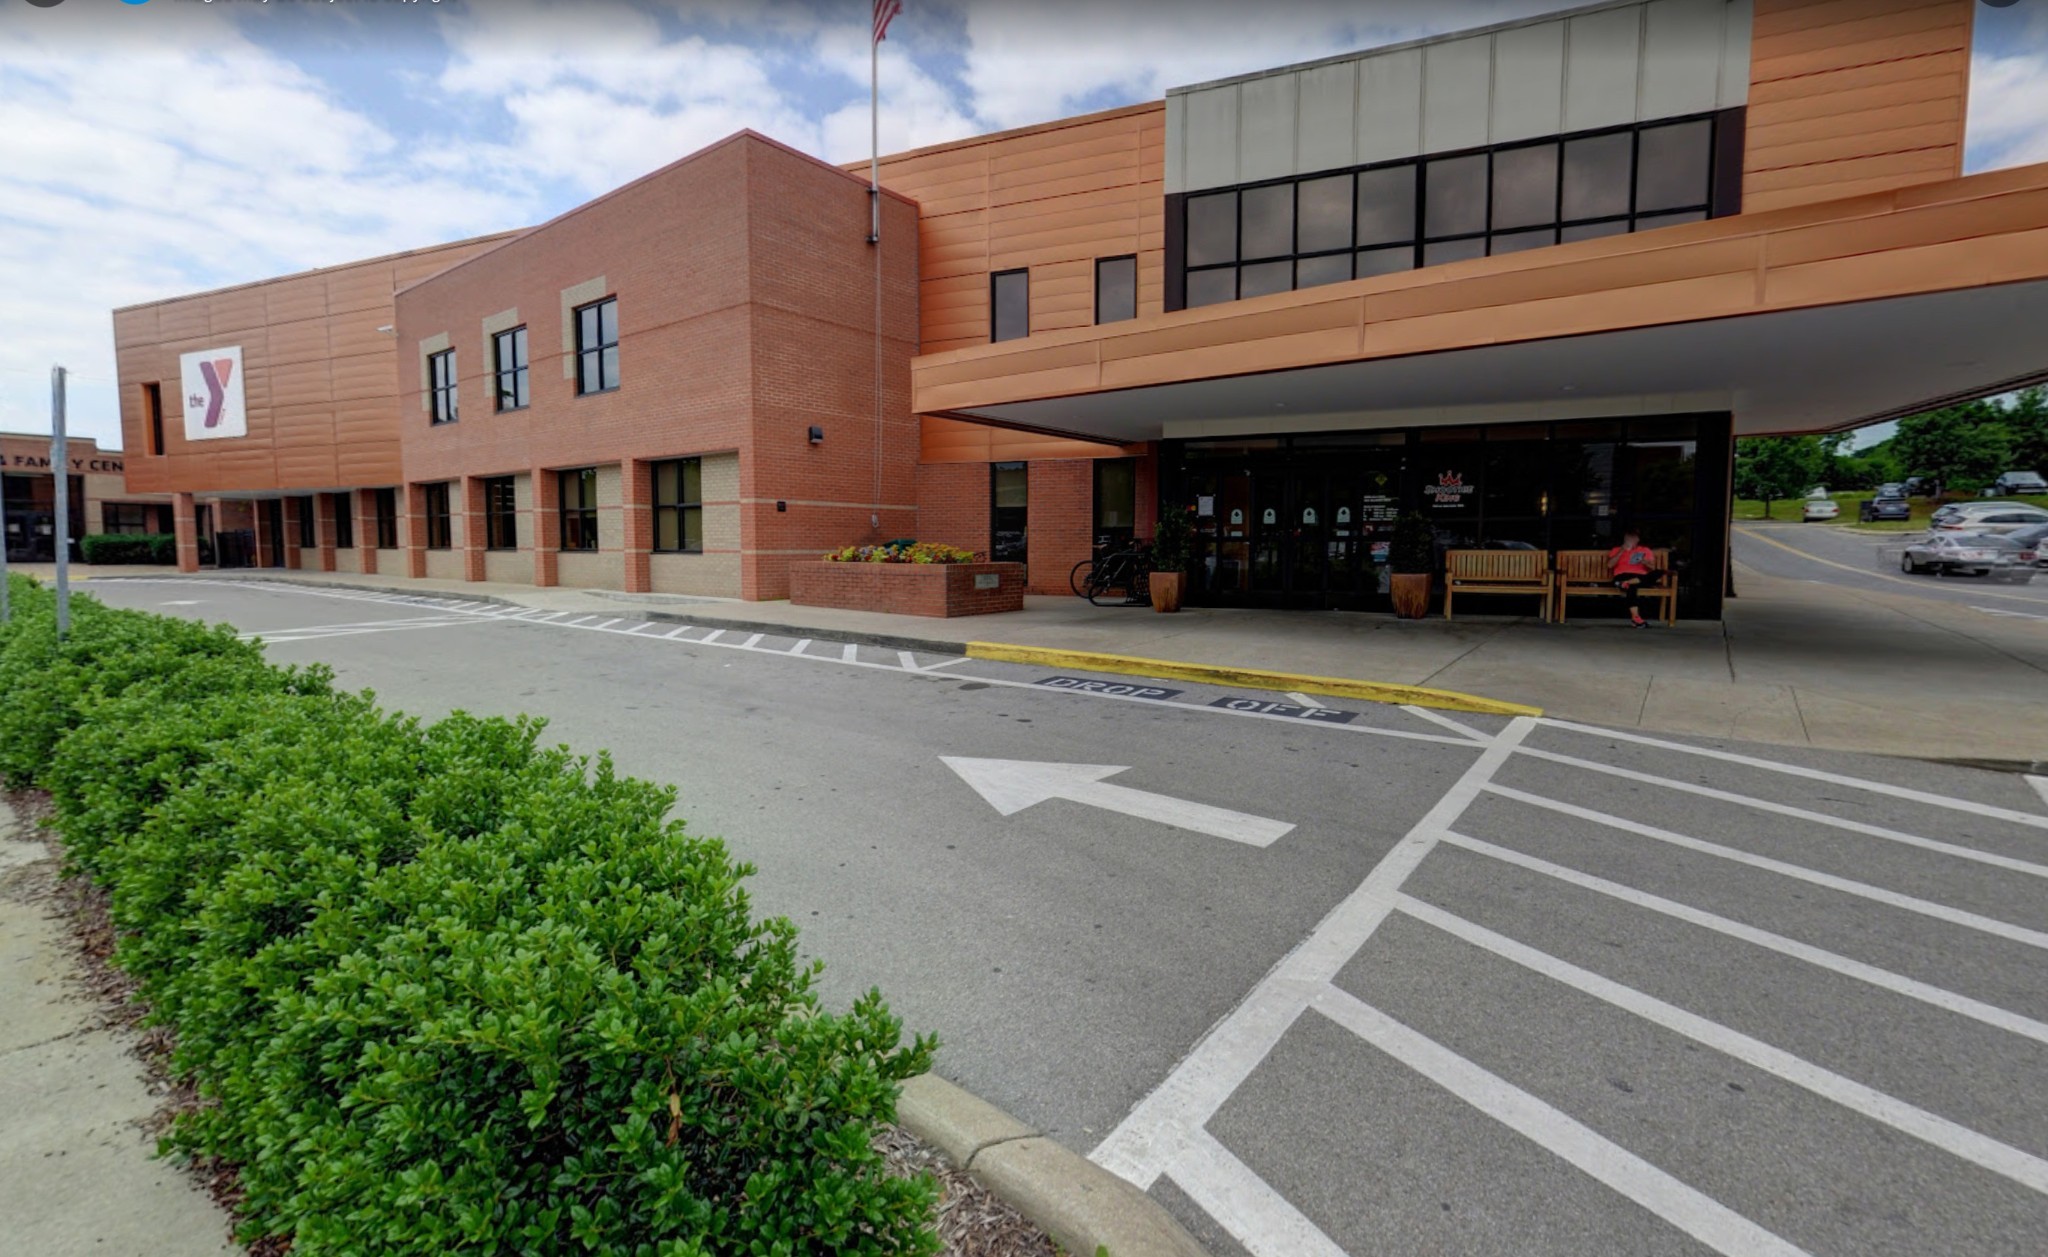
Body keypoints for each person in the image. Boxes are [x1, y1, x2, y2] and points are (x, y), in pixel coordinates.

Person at [1608, 530, 1659, 627]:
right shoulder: (1617, 549)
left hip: (1640, 576)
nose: (1630, 541)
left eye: (1633, 539)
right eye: (1628, 539)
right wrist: (1621, 551)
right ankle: (1636, 618)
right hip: (1623, 575)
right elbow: (1610, 565)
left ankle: (1625, 583)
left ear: (1637, 540)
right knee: (1632, 587)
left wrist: (1644, 562)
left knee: (1658, 572)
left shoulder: (1645, 550)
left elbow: (1652, 568)